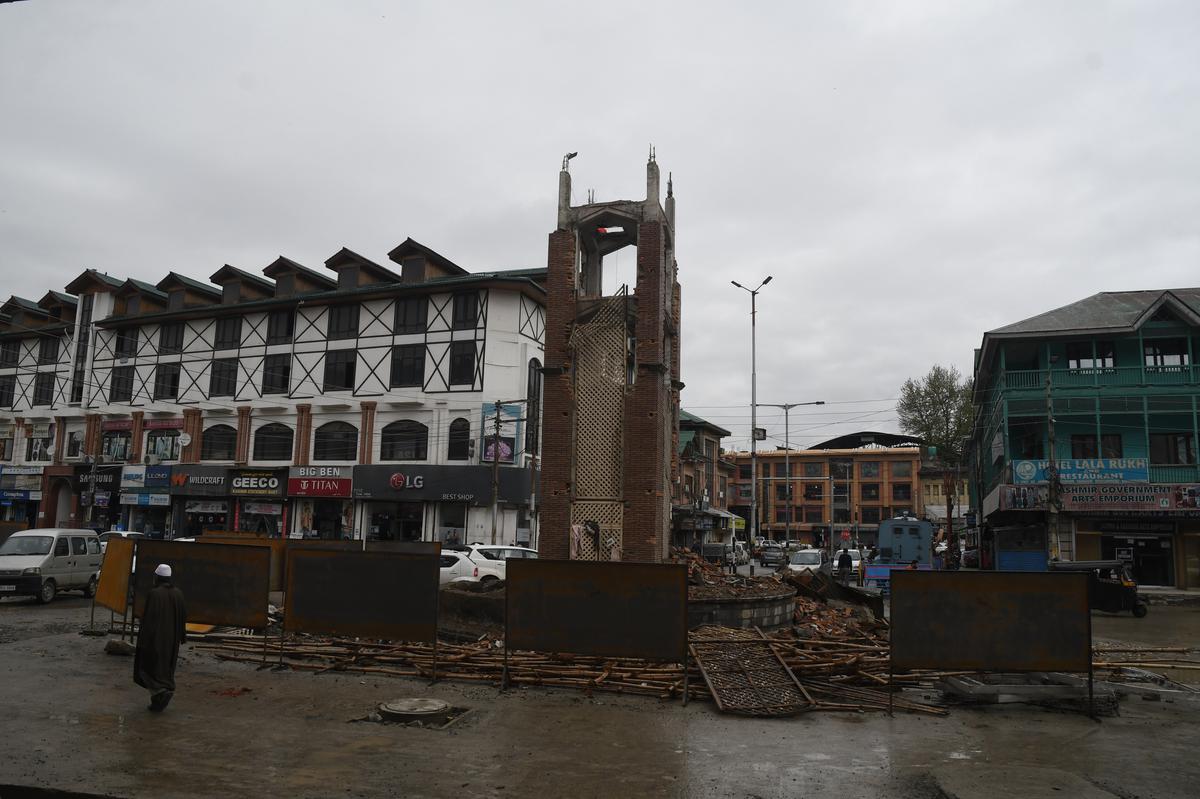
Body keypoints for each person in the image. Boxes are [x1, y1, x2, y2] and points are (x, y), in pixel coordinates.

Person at [134, 563, 187, 712]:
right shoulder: (178, 593)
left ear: (157, 578)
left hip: (155, 639)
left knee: (148, 668)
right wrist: (181, 636)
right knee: (166, 668)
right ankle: (160, 695)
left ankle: (159, 692)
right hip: (171, 640)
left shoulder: (154, 594)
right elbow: (183, 617)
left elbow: (149, 618)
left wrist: (143, 640)